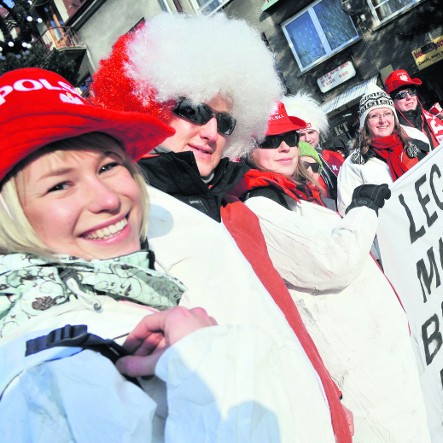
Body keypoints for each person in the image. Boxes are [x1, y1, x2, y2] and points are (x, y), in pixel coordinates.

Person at [0, 68, 336, 442]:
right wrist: (210, 359)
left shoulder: (130, 279)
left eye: (108, 166)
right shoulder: (52, 372)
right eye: (59, 185)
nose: (108, 199)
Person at [89, 13, 352, 441]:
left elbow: (286, 321)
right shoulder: (124, 225)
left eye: (225, 122)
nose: (211, 131)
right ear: (147, 104)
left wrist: (329, 395)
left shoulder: (236, 209)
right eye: (193, 111)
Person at [232, 102, 431, 442]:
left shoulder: (292, 196)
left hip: (378, 350)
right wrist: (363, 209)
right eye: (269, 139)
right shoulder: (260, 207)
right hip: (359, 365)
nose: (284, 146)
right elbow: (333, 262)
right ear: (247, 149)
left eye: (291, 137)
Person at [336, 84, 431, 215]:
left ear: (394, 117)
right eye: (374, 116)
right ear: (365, 123)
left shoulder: (415, 138)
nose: (382, 120)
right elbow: (347, 210)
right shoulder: (353, 165)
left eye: (387, 113)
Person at [281, 92, 344, 203]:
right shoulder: (291, 165)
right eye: (301, 135)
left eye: (311, 132)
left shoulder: (334, 156)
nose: (308, 138)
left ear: (318, 132)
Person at [383, 68, 443, 147]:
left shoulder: (436, 120)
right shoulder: (392, 134)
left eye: (411, 91)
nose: (409, 97)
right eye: (401, 94)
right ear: (391, 101)